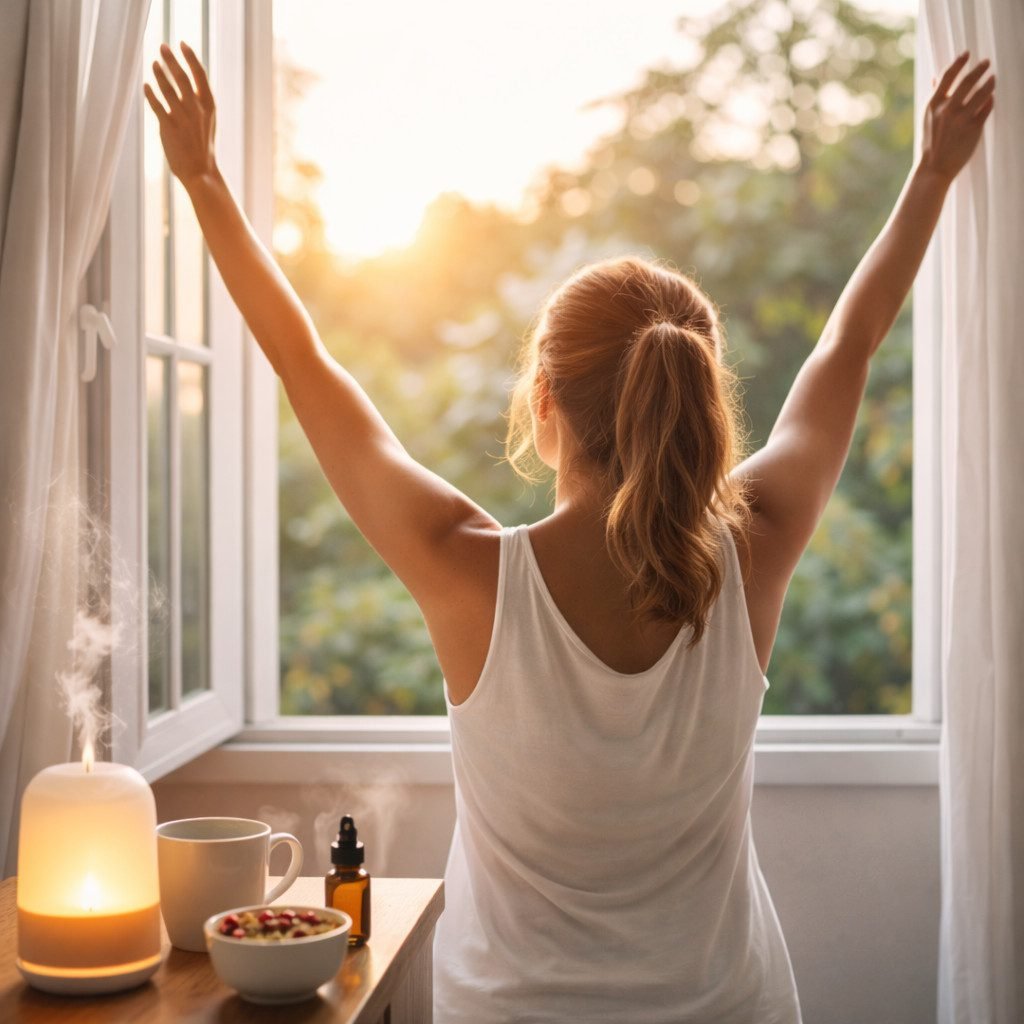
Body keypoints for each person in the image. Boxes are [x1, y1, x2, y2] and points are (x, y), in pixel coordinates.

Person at [146, 42, 994, 1024]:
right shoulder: (750, 548)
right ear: (693, 400)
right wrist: (930, 171)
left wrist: (205, 177)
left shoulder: (466, 569)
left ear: (543, 402)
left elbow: (305, 365)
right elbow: (849, 342)